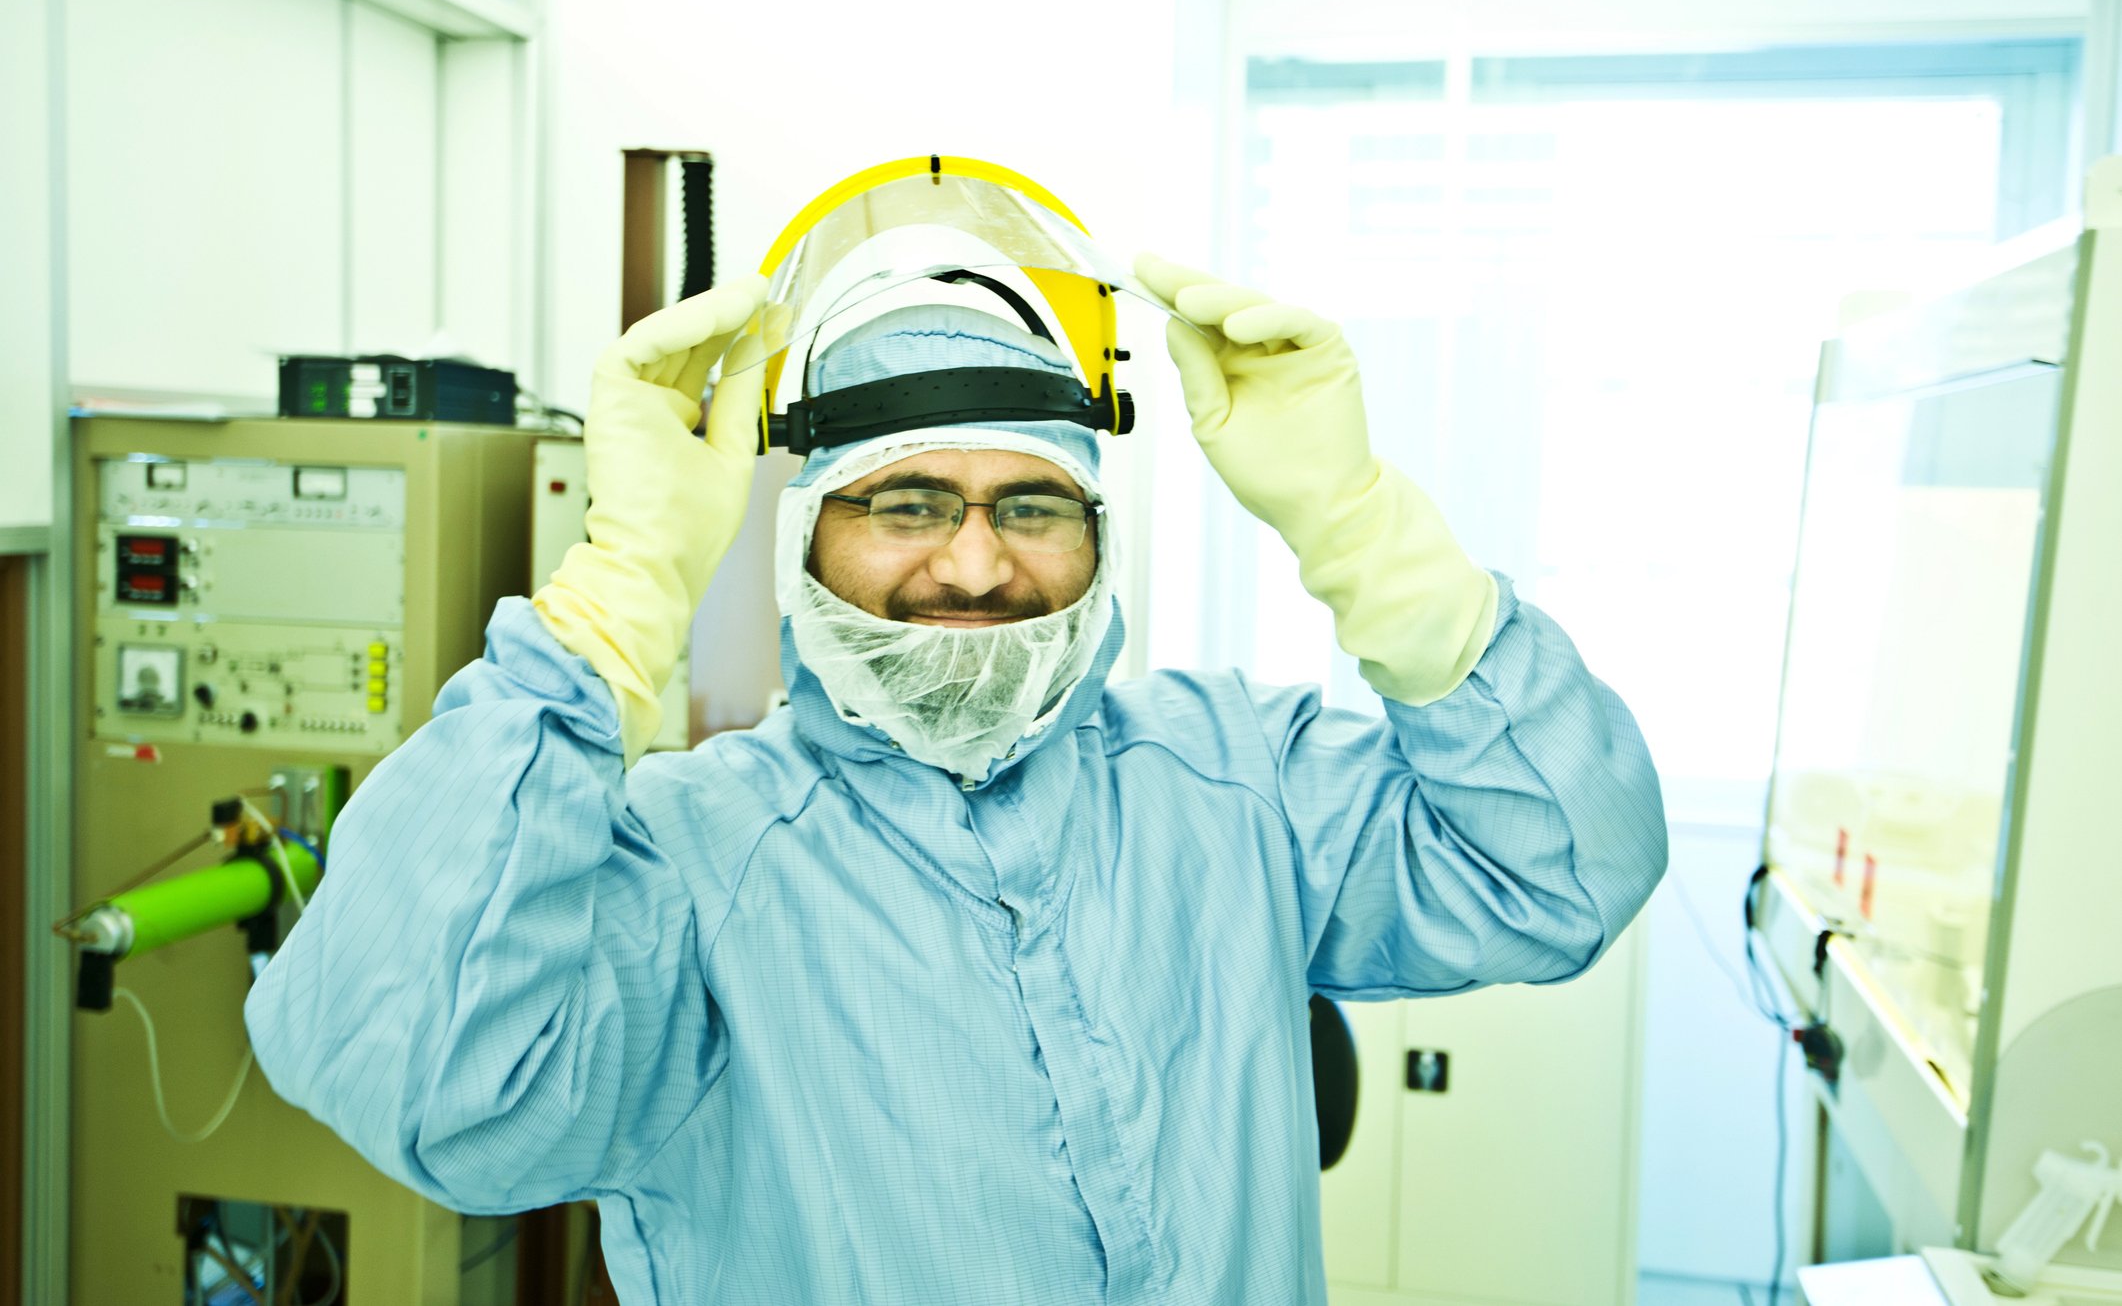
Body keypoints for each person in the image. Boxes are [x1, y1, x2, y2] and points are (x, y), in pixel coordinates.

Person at [246, 254, 1668, 1305]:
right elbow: (427, 1091)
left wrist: (1366, 532)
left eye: (1032, 507)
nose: (978, 566)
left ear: (1097, 536)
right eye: (905, 505)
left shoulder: (1237, 783)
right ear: (802, 535)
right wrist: (612, 604)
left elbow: (1560, 874)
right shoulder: (689, 859)